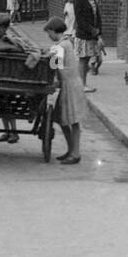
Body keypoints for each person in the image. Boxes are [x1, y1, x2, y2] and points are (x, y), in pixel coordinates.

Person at [0, 12, 42, 144]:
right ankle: (7, 131)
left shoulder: (14, 40)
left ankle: (14, 132)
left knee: (7, 105)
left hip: (12, 76)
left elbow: (26, 50)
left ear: (6, 28)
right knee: (1, 104)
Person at [44, 16, 84, 164]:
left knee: (72, 120)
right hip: (70, 84)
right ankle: (71, 150)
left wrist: (47, 56)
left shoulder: (61, 46)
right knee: (63, 119)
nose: (48, 36)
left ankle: (75, 153)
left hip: (69, 86)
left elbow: (54, 66)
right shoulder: (66, 43)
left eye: (49, 33)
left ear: (54, 31)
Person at [73, 0, 103, 93]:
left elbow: (97, 17)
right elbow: (80, 19)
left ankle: (83, 83)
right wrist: (91, 30)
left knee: (88, 58)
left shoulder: (94, 0)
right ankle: (82, 84)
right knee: (83, 59)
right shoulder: (79, 0)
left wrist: (99, 31)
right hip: (83, 35)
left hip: (92, 35)